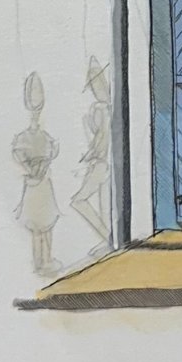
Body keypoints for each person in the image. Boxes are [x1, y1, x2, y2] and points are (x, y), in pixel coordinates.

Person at [12, 72, 60, 276]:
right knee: (42, 224)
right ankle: (43, 261)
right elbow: (24, 155)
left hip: (36, 184)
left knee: (41, 224)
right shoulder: (37, 137)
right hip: (38, 184)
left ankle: (42, 261)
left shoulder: (30, 137)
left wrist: (33, 166)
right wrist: (38, 165)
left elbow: (21, 154)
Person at [69, 57, 111, 245]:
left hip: (100, 163)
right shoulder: (105, 107)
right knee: (105, 207)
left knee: (79, 201)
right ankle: (108, 240)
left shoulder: (101, 109)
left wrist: (90, 155)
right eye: (93, 85)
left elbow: (103, 135)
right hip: (105, 164)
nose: (96, 89)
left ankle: (107, 237)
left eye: (97, 84)